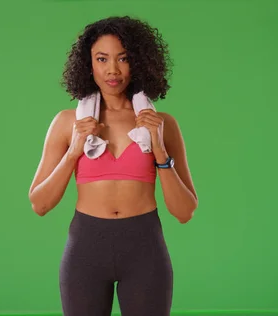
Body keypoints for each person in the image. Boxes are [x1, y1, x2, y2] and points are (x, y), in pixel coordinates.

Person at [28, 16, 198, 316]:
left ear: (139, 62)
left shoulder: (162, 125)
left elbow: (184, 212)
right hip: (85, 250)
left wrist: (159, 150)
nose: (112, 70)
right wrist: (74, 153)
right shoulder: (69, 123)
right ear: (88, 64)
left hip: (145, 248)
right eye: (102, 59)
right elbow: (39, 204)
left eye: (123, 58)